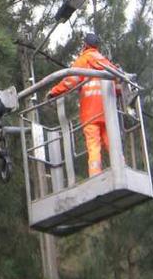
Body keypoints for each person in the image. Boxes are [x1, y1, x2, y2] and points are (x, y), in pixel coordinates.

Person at [48, 33, 121, 176]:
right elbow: (118, 86)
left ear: (85, 45)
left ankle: (95, 175)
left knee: (93, 146)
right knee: (112, 144)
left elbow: (70, 81)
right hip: (108, 113)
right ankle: (121, 168)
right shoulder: (107, 63)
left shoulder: (83, 61)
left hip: (90, 114)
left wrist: (53, 92)